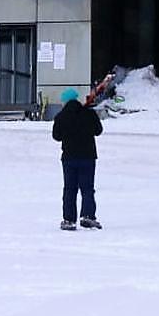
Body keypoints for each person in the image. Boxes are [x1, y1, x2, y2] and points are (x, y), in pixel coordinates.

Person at [52, 88, 104, 231]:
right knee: (87, 188)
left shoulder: (61, 116)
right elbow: (98, 131)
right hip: (88, 157)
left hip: (69, 158)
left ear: (65, 102)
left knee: (70, 189)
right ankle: (88, 216)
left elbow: (56, 136)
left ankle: (69, 219)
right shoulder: (89, 114)